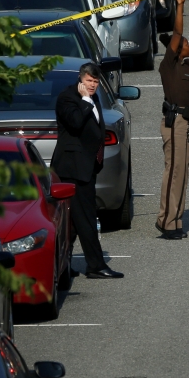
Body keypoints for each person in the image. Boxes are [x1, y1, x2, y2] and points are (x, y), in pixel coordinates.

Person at [52, 62, 123, 279]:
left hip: (87, 167)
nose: (92, 85)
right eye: (88, 81)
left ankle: (62, 266)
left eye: (95, 82)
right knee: (86, 218)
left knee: (73, 222)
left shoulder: (93, 97)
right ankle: (95, 265)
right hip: (73, 169)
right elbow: (74, 123)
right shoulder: (68, 98)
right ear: (80, 80)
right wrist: (84, 101)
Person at [156, 0, 189, 240]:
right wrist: (181, 5)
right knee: (173, 171)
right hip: (174, 123)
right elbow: (177, 32)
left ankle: (176, 220)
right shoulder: (169, 63)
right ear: (176, 49)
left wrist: (187, 61)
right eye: (186, 44)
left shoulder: (182, 65)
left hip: (186, 123)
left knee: (182, 171)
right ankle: (166, 222)